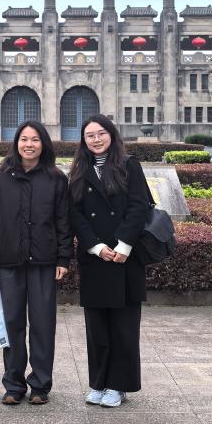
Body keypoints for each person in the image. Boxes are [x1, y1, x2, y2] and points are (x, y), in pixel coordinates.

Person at [0, 121, 73, 406]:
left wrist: (63, 257)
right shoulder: (3, 177)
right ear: (17, 144)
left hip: (44, 262)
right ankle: (13, 385)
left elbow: (64, 221)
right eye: (24, 139)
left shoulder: (56, 178)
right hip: (9, 262)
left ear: (43, 144)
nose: (29, 145)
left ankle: (40, 385)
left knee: (43, 325)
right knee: (11, 324)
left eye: (35, 139)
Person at [67, 114, 151, 408]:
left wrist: (123, 244)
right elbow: (75, 213)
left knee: (124, 328)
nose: (96, 139)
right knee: (97, 328)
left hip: (125, 258)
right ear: (83, 141)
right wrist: (96, 246)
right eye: (90, 135)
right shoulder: (79, 169)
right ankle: (99, 382)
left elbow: (139, 206)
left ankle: (119, 385)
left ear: (112, 135)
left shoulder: (129, 165)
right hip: (95, 259)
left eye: (101, 133)